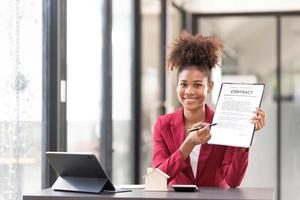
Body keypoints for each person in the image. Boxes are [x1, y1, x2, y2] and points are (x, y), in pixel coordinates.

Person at [152, 32, 266, 188]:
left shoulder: (223, 122)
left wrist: (244, 140)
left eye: (198, 85)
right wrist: (188, 144)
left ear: (210, 86)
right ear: (176, 85)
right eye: (183, 84)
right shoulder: (163, 125)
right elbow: (157, 178)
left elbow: (233, 181)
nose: (189, 91)